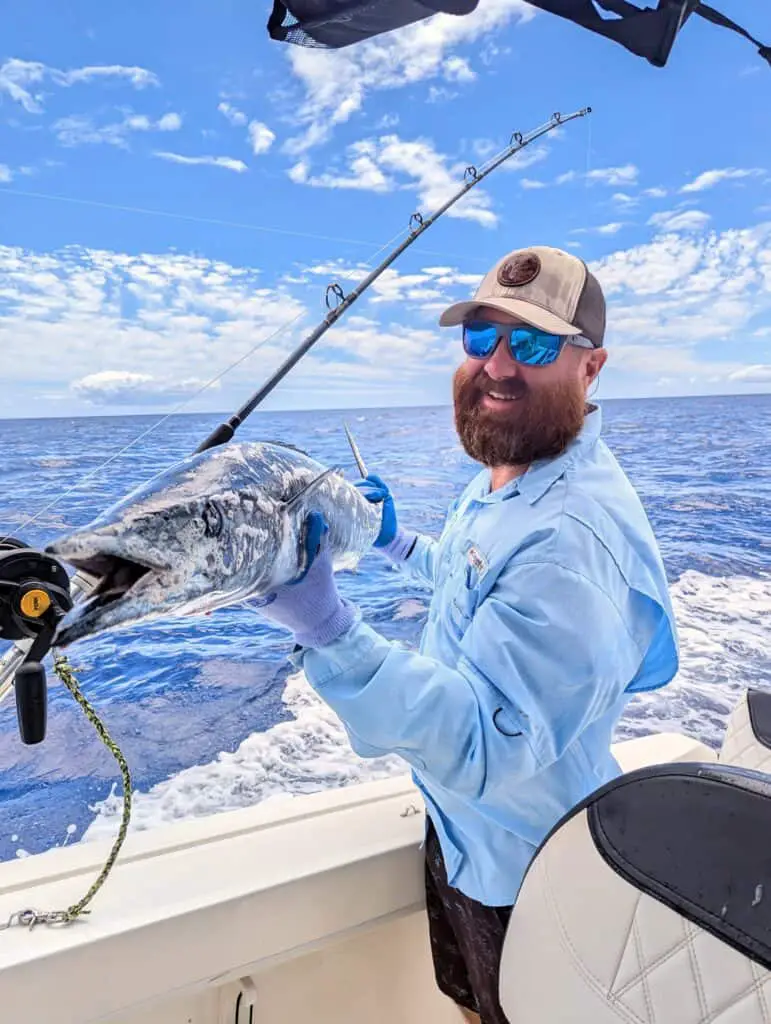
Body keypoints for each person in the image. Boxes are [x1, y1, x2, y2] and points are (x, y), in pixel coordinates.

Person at [254, 245, 679, 1024]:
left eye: (535, 344)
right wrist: (397, 545)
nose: (498, 365)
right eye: (482, 337)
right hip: (463, 829)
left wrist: (332, 632)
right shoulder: (519, 470)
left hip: (526, 867)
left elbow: (487, 742)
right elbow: (475, 582)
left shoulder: (570, 539)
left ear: (591, 368)